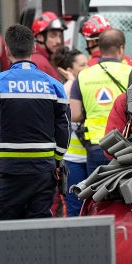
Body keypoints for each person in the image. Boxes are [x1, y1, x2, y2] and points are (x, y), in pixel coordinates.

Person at [0, 24, 70, 220]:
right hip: (44, 170)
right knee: (40, 227)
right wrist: (55, 160)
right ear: (34, 48)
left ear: (7, 49)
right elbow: (64, 129)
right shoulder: (55, 85)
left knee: (2, 227)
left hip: (8, 169)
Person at [70, 28, 132, 175]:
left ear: (100, 48)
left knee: (96, 195)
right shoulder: (130, 73)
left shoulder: (83, 75)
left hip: (95, 146)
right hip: (123, 146)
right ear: (121, 48)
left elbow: (74, 114)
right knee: (123, 195)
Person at [52, 47, 89, 216]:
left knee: (78, 205)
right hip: (74, 158)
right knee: (76, 206)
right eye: (82, 65)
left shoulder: (83, 86)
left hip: (82, 156)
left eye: (88, 63)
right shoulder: (67, 89)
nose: (88, 68)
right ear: (69, 70)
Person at [30, 11, 66, 80]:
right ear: (40, 37)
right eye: (53, 36)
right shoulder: (39, 63)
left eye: (59, 36)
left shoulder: (41, 58)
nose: (58, 41)